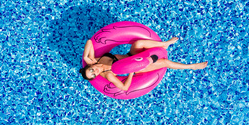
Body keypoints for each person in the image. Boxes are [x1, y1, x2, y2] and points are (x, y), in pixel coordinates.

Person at [79, 37, 208, 91]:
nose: (94, 72)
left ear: (90, 66)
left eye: (91, 71)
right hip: (136, 67)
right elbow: (124, 88)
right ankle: (192, 66)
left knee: (138, 44)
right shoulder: (108, 75)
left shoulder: (96, 59)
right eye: (93, 75)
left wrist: (86, 56)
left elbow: (90, 41)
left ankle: (165, 44)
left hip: (131, 56)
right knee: (165, 62)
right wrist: (131, 71)